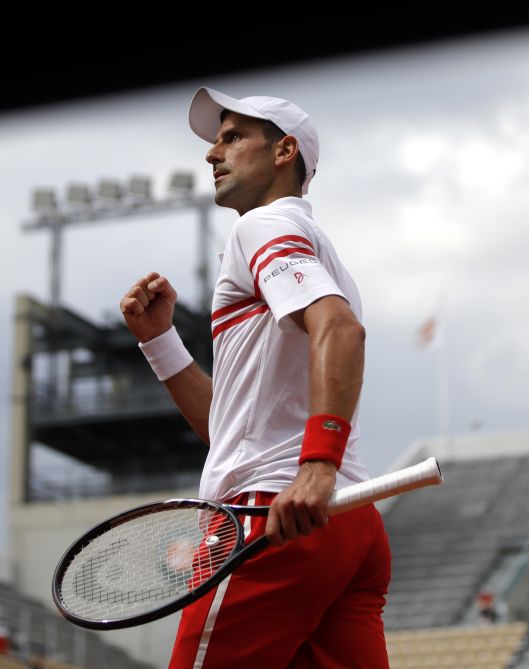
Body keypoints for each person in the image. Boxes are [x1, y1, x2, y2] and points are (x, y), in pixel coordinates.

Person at [120, 87, 390, 668]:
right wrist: (161, 342)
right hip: (348, 524)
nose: (212, 154)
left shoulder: (262, 227)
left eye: (233, 137)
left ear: (284, 150)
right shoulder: (314, 248)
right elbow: (232, 431)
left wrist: (317, 465)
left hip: (273, 516)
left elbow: (340, 332)